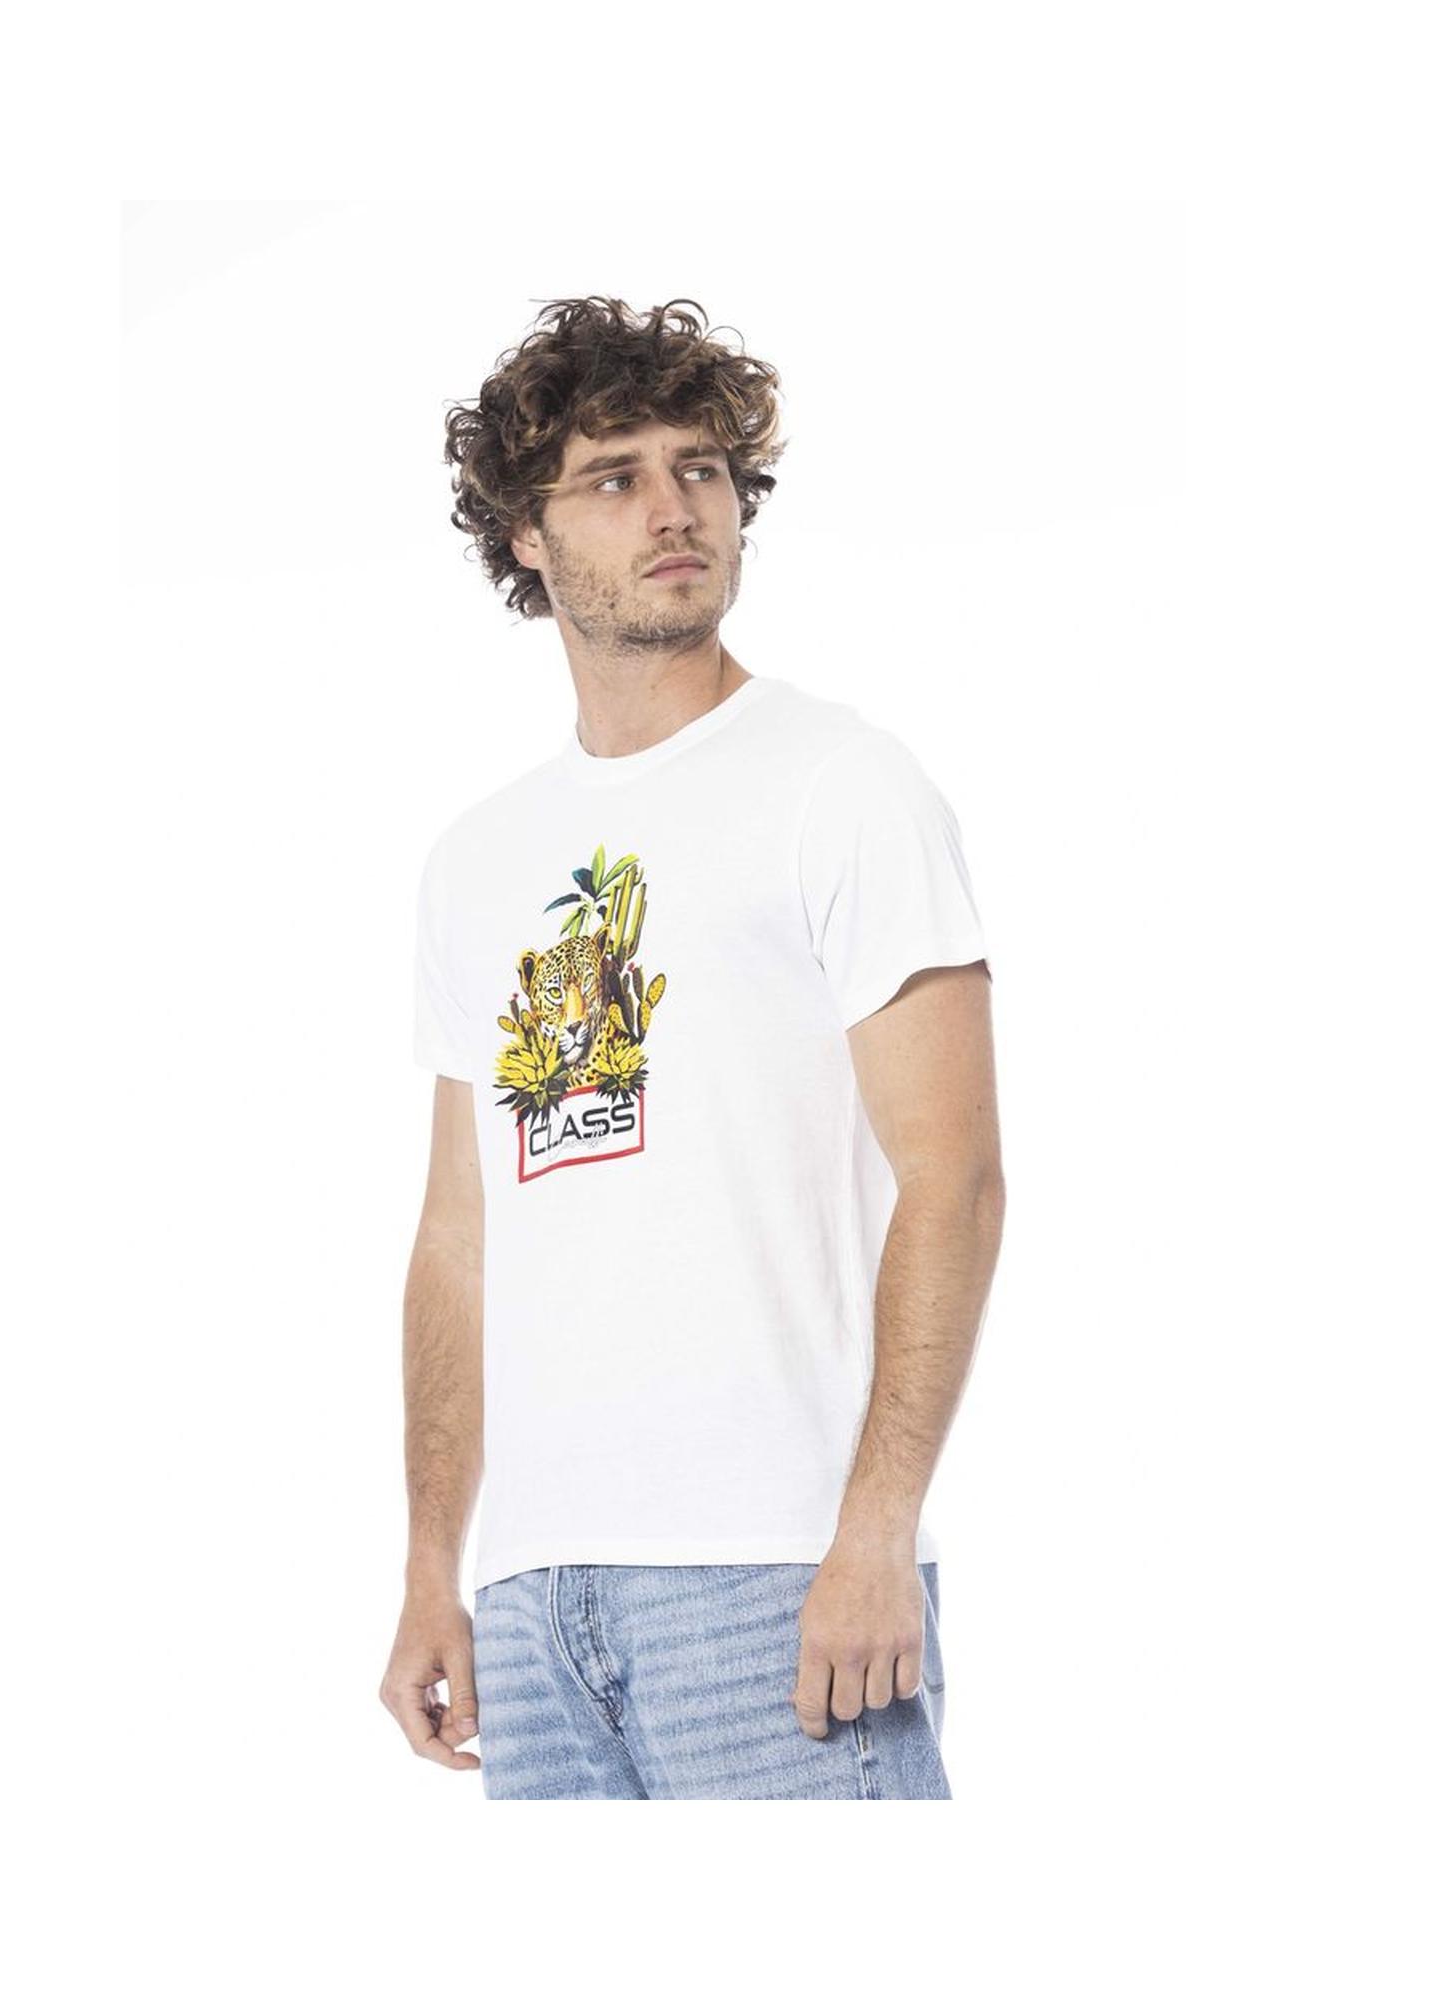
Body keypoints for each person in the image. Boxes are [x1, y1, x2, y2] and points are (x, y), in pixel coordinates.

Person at [378, 297, 1005, 1799]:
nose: (676, 509)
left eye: (703, 469)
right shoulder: (477, 860)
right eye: (616, 477)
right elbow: (458, 1240)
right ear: (526, 535)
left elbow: (956, 1179)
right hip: (535, 1608)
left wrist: (875, 1531)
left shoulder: (840, 785)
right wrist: (434, 1567)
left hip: (775, 1579)